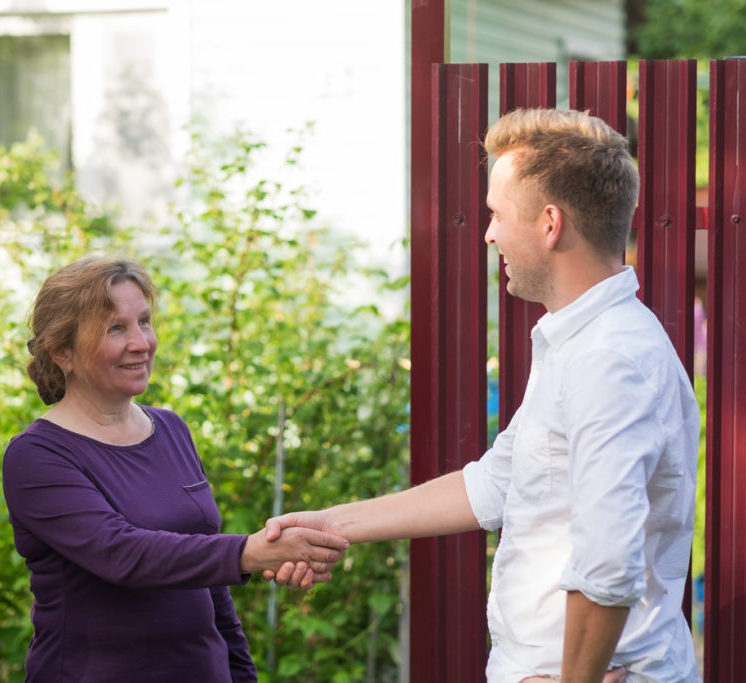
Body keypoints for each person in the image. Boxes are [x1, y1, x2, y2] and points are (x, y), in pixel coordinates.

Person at [265, 108, 701, 683]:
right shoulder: (579, 342)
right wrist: (327, 525)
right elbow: (497, 482)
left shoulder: (607, 361)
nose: (489, 231)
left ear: (550, 224)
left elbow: (608, 563)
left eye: (497, 213)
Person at [2, 255, 349, 682]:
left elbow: (211, 582)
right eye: (116, 328)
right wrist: (251, 552)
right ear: (62, 352)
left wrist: (241, 674)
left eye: (144, 321)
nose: (141, 342)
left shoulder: (169, 429)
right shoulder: (37, 455)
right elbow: (122, 554)